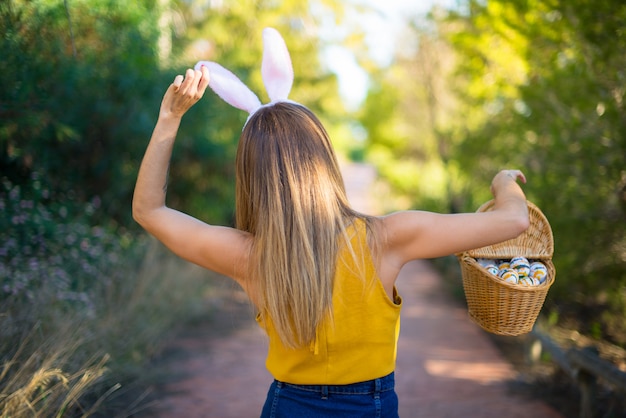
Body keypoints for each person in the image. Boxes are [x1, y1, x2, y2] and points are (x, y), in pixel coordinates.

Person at [132, 28, 529, 418]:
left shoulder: (250, 256)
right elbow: (514, 220)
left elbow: (149, 211)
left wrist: (170, 118)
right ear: (323, 158)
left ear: (251, 177)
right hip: (370, 406)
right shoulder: (388, 237)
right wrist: (503, 183)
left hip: (288, 406)